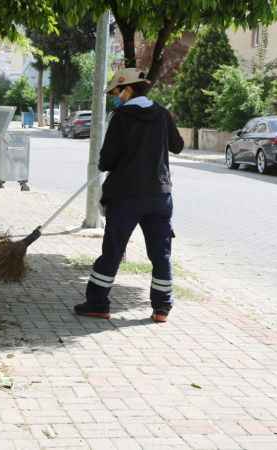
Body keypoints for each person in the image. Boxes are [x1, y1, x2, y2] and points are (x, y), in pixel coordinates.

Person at [74, 68, 184, 323]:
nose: (116, 97)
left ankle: (97, 303)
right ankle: (161, 308)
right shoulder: (161, 113)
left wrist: (111, 161)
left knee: (112, 250)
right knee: (161, 254)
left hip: (126, 196)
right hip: (159, 195)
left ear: (129, 89)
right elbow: (177, 146)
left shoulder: (121, 117)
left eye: (117, 92)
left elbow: (106, 160)